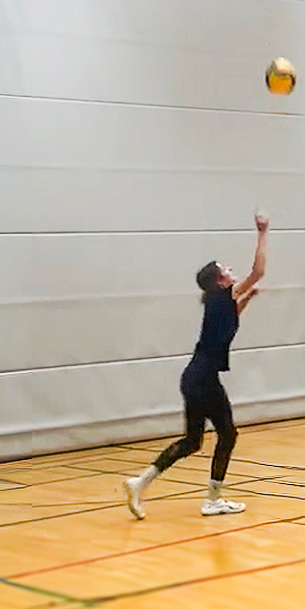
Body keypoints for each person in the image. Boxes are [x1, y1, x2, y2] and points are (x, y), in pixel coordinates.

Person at [123, 213, 268, 519]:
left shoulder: (218, 303)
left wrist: (248, 300)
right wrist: (262, 233)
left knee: (192, 441)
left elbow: (231, 322)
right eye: (226, 270)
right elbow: (258, 271)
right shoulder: (220, 296)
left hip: (194, 377)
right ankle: (213, 500)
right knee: (227, 435)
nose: (231, 271)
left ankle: (140, 482)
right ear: (220, 281)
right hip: (203, 379)